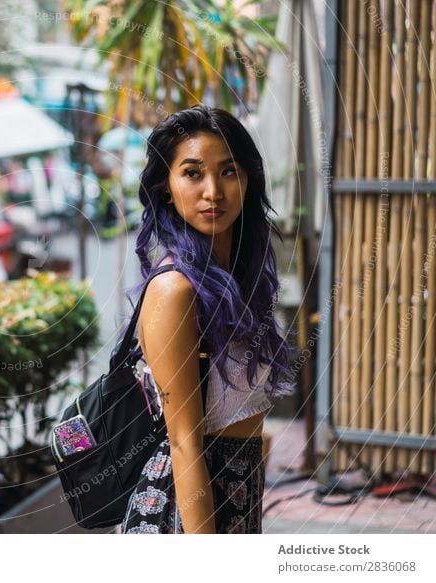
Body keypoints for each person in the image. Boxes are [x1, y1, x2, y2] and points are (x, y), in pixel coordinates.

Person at [119, 106, 295, 534]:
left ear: (248, 181)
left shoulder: (238, 282)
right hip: (182, 515)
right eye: (193, 173)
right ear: (166, 188)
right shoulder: (175, 290)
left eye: (228, 172)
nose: (213, 191)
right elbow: (184, 443)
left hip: (236, 501)